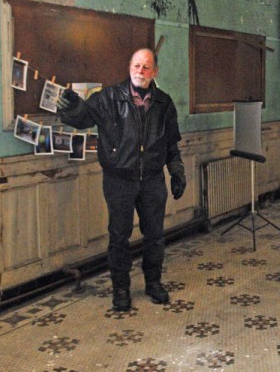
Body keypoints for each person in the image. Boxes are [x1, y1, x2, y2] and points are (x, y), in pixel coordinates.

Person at [57, 48, 186, 311]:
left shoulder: (164, 103)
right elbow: (83, 118)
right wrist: (72, 107)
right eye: (136, 66)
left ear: (155, 72)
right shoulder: (108, 98)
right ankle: (121, 289)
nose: (141, 71)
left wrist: (177, 171)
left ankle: (153, 283)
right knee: (119, 237)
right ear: (129, 68)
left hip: (152, 180)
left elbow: (171, 142)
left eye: (146, 67)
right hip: (119, 180)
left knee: (155, 236)